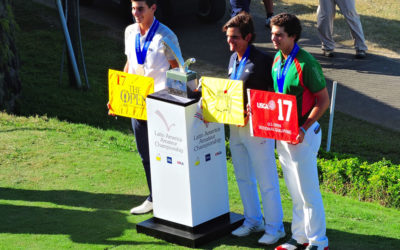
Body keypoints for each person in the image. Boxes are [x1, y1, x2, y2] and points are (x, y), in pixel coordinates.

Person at [222, 12, 285, 245]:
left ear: (248, 37)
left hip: (258, 128)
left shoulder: (264, 60)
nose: (230, 41)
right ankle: (252, 220)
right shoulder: (233, 59)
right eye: (228, 37)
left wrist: (256, 110)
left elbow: (276, 94)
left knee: (266, 179)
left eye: (235, 37)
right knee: (243, 177)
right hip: (235, 127)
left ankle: (275, 227)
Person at [270, 13, 330, 250]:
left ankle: (318, 241)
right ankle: (299, 237)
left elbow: (323, 100)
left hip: (304, 134)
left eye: (279, 35)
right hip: (284, 133)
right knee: (294, 192)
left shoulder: (306, 63)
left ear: (293, 36)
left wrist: (303, 128)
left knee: (308, 192)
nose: (273, 39)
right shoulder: (277, 59)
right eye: (272, 34)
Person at [119, 0, 181, 215]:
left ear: (153, 8)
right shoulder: (129, 32)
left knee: (167, 154)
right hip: (137, 104)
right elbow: (129, 65)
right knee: (145, 154)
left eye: (140, 9)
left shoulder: (166, 36)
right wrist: (118, 97)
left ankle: (173, 199)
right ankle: (154, 197)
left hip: (162, 106)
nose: (135, 13)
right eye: (133, 8)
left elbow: (178, 68)